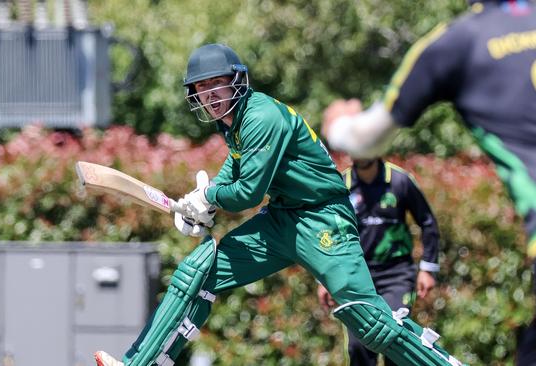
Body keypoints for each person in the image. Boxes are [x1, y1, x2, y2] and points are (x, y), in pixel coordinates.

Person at [94, 43, 463, 366]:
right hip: (283, 218)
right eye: (201, 88)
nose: (209, 94)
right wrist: (197, 203)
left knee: (367, 319)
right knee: (200, 272)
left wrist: (210, 198)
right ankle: (139, 363)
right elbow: (234, 169)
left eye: (215, 83)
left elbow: (249, 194)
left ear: (237, 80)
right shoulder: (233, 122)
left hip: (322, 219)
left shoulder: (261, 115)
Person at [321, 1, 536, 364]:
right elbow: (329, 230)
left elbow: (366, 139)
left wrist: (337, 125)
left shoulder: (456, 42)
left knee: (394, 340)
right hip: (360, 277)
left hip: (398, 274)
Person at [317, 157, 442, 366]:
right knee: (359, 347)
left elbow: (427, 222)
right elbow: (327, 234)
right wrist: (324, 279)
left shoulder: (399, 181)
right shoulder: (340, 185)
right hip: (355, 278)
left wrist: (428, 268)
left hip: (397, 274)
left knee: (395, 340)